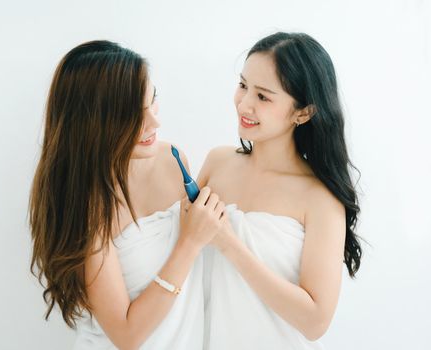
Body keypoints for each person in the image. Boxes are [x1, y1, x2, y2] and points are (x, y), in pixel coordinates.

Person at [28, 40, 224, 349]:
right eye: (132, 114)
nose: (154, 123)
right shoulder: (85, 205)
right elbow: (127, 335)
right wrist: (190, 242)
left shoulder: (173, 160)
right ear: (94, 123)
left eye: (152, 100)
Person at [199, 32, 363, 349]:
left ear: (303, 113)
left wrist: (229, 244)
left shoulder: (319, 198)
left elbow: (315, 322)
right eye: (243, 85)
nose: (244, 104)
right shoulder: (218, 162)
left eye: (263, 96)